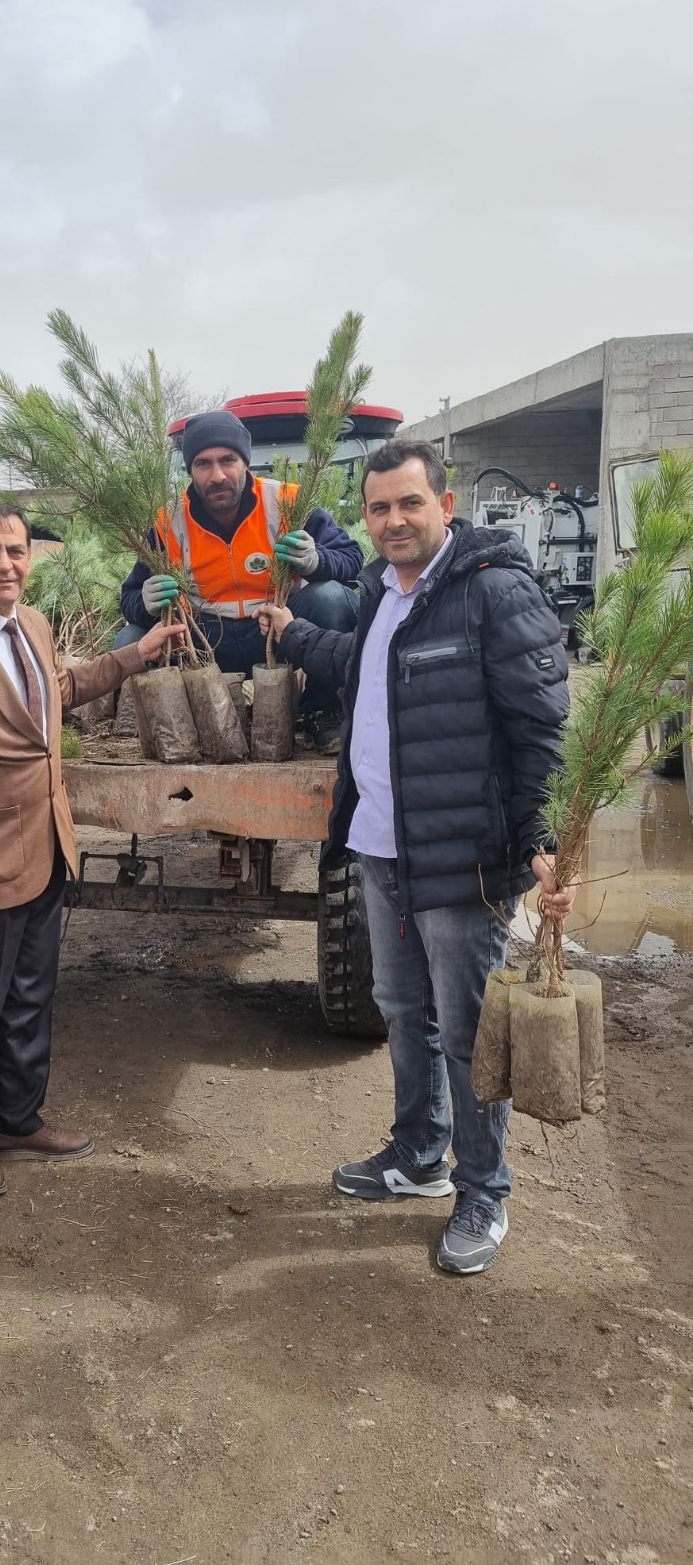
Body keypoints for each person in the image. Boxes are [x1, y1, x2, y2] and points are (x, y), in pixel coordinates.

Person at [258, 440, 576, 1275]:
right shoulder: (378, 592)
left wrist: (541, 840)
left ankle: (484, 1192)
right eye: (379, 508)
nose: (393, 520)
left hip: (462, 855)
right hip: (380, 844)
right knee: (404, 1011)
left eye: (409, 504)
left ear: (445, 502)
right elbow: (361, 671)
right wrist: (294, 635)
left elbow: (541, 728)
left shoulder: (492, 593)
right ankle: (419, 1155)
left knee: (467, 1030)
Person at [0, 500, 184, 1198]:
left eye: (14, 551)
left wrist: (132, 657)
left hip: (46, 852)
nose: (3, 564)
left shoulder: (33, 626)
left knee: (30, 998)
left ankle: (18, 1117)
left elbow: (57, 692)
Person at [116, 409, 363, 742]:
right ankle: (162, 729)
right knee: (130, 638)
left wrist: (317, 561)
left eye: (227, 460)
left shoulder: (288, 501)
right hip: (205, 638)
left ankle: (323, 711)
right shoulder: (168, 520)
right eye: (203, 464)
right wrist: (145, 602)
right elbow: (130, 598)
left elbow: (352, 558)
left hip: (275, 629)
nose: (217, 475)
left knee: (330, 597)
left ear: (245, 462)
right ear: (190, 470)